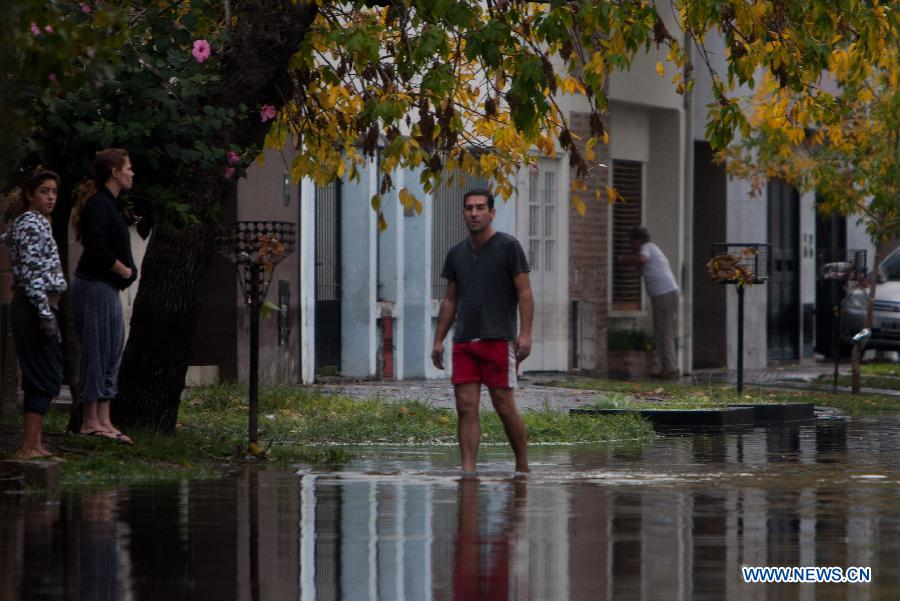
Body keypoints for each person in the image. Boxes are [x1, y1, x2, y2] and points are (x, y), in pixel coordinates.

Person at [432, 188, 534, 473]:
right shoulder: (456, 254)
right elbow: (451, 299)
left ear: (491, 212)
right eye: (468, 208)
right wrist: (439, 339)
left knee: (504, 405)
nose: (474, 213)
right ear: (463, 213)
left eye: (479, 208)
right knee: (465, 407)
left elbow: (525, 293)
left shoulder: (508, 247)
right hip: (464, 340)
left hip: (498, 339)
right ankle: (468, 471)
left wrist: (525, 334)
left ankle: (522, 468)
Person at [71, 148, 137, 444]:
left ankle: (105, 419)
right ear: (114, 172)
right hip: (95, 285)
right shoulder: (99, 204)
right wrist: (121, 268)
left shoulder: (113, 205)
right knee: (96, 350)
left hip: (109, 288)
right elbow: (96, 245)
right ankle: (90, 420)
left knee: (112, 349)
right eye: (128, 168)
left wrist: (125, 272)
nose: (132, 173)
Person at [5, 170, 67, 460]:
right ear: (31, 194)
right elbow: (31, 275)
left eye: (54, 191)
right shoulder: (31, 224)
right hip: (33, 306)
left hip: (41, 304)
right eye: (44, 191)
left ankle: (36, 444)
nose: (51, 197)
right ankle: (28, 446)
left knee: (41, 374)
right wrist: (44, 314)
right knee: (45, 373)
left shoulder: (36, 224)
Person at [618, 225, 680, 378]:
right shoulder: (652, 248)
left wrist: (623, 258)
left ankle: (670, 369)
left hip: (664, 294)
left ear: (638, 240)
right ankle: (669, 367)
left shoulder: (647, 247)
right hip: (665, 293)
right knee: (663, 331)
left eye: (631, 241)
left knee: (663, 332)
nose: (629, 245)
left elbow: (642, 259)